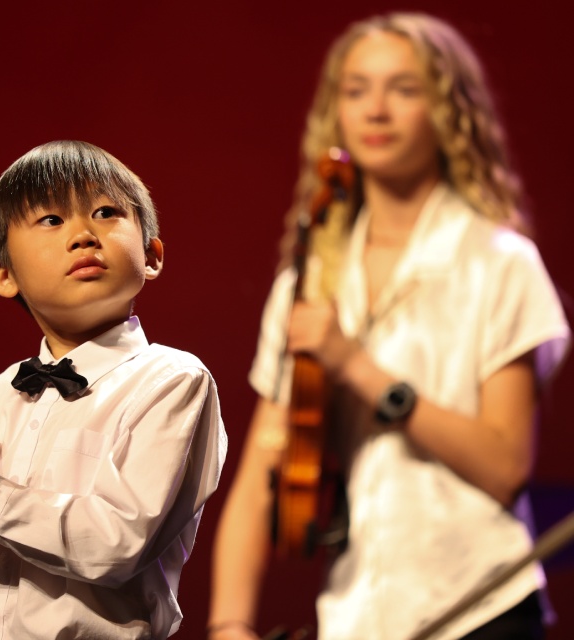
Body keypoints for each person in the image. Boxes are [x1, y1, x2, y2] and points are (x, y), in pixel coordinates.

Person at [208, 12, 570, 640]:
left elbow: (505, 464)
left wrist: (358, 367)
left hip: (483, 607)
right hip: (358, 616)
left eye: (404, 89)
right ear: (337, 111)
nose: (376, 109)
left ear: (448, 111)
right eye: (356, 90)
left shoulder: (498, 262)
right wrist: (228, 624)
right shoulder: (310, 277)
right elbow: (262, 474)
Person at [0, 140, 228, 640]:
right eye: (52, 220)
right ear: (4, 275)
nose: (83, 234)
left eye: (105, 212)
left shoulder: (174, 381)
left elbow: (114, 542)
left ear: (152, 255)